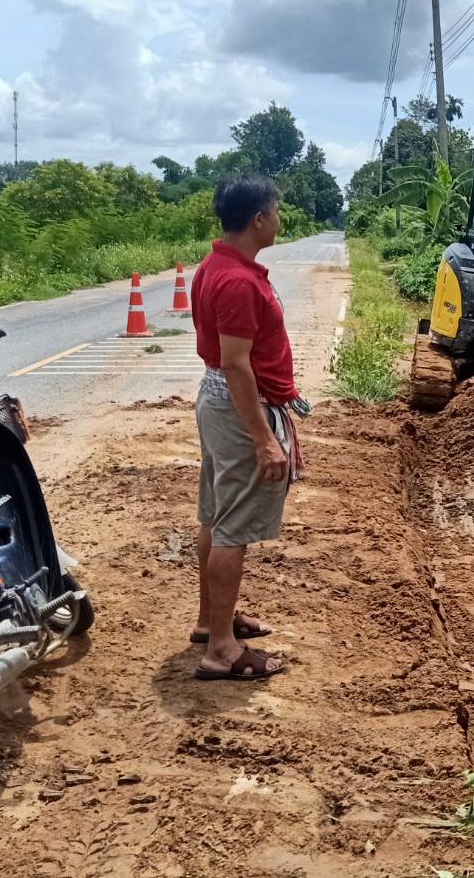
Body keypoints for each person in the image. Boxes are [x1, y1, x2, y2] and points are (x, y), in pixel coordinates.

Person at [188, 174, 300, 681]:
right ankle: (222, 652)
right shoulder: (234, 280)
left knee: (216, 516)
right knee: (233, 526)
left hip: (220, 401)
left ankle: (212, 622)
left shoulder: (219, 266)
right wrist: (264, 438)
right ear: (258, 219)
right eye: (275, 212)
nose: (279, 219)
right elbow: (236, 363)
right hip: (239, 406)